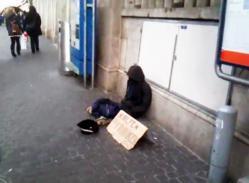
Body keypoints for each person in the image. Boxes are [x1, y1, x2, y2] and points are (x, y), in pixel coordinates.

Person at [86, 65, 152, 125]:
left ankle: (103, 116)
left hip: (131, 111)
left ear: (136, 76)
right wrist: (124, 102)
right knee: (103, 100)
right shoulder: (131, 82)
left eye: (131, 77)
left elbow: (143, 107)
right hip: (124, 105)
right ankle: (95, 108)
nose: (129, 78)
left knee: (107, 110)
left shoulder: (145, 88)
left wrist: (130, 108)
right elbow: (127, 96)